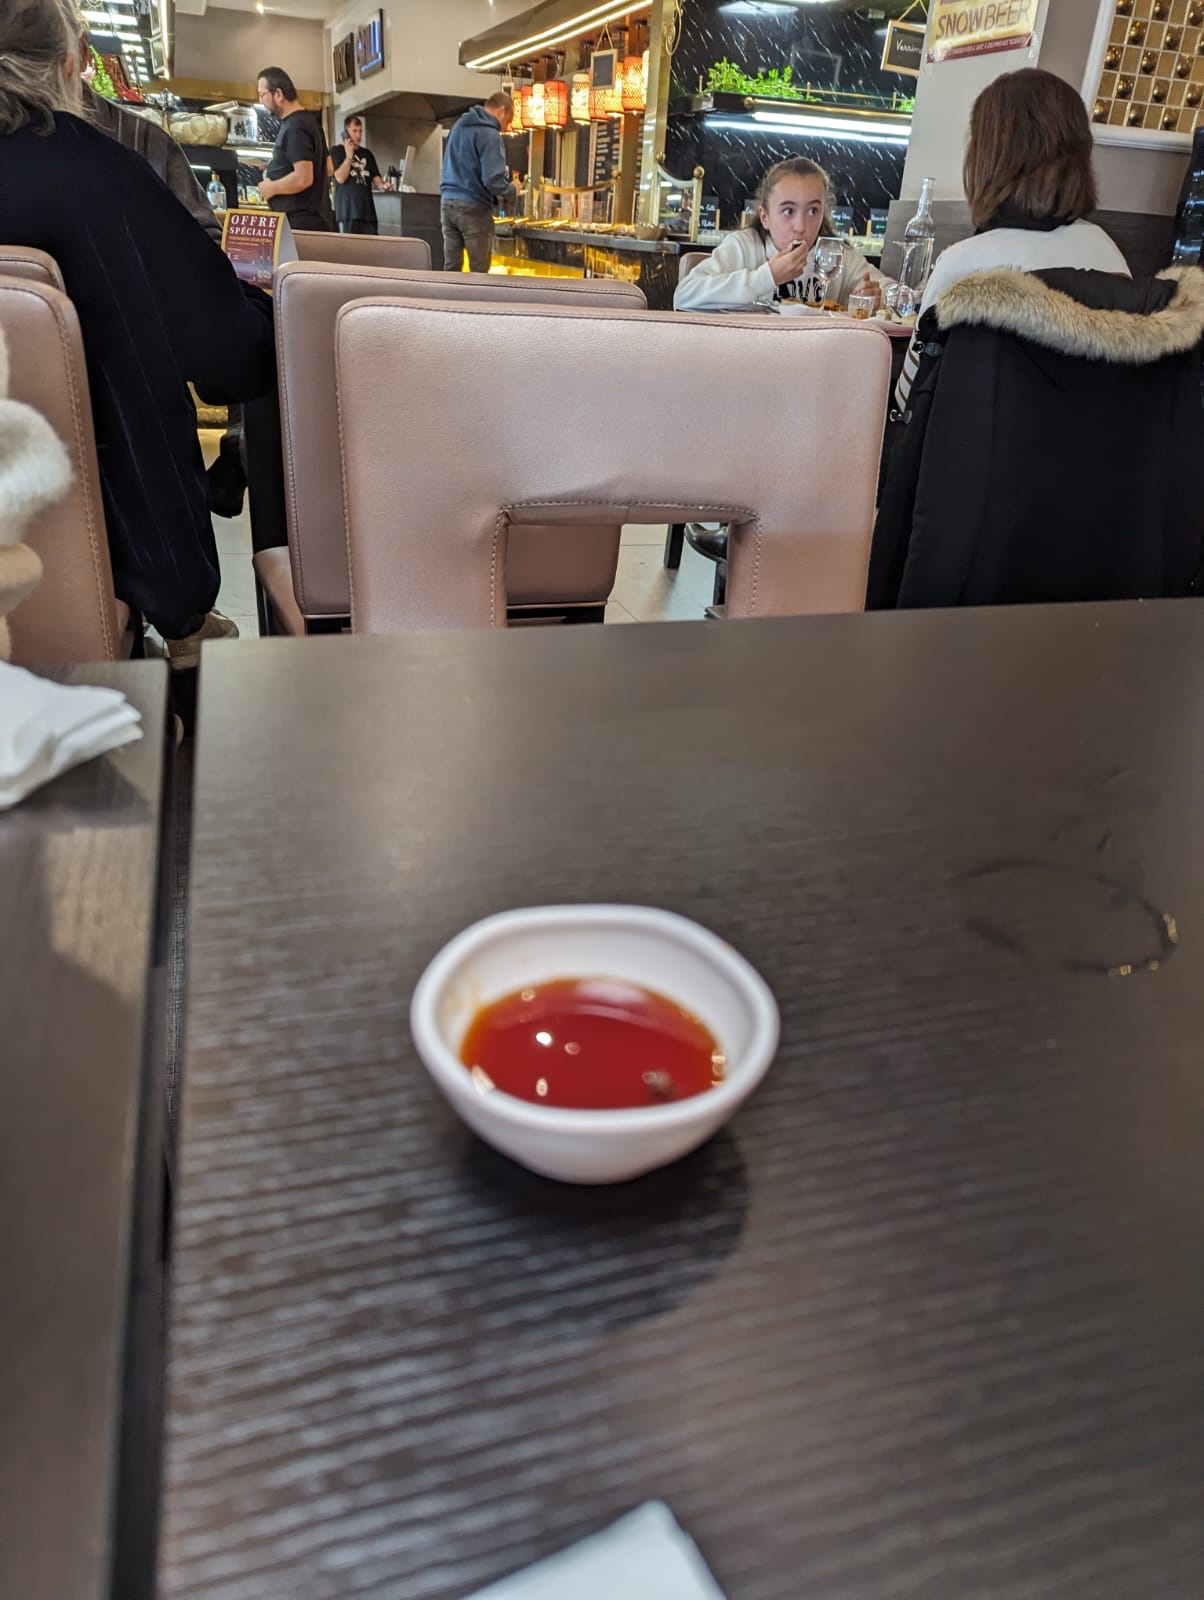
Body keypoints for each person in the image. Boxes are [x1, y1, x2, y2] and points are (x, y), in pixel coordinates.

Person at [0, 0, 276, 663]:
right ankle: (183, 635)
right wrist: (261, 307)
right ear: (70, 64)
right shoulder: (101, 173)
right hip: (106, 560)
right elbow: (230, 358)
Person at [894, 68, 1129, 409]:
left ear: (986, 159)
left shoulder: (965, 265)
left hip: (973, 444)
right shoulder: (1108, 254)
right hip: (1094, 443)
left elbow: (908, 397)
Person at [674, 157, 887, 313]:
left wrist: (875, 297)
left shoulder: (837, 256)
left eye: (813, 211)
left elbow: (894, 292)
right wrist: (768, 276)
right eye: (788, 211)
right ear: (765, 217)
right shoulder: (744, 246)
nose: (800, 226)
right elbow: (684, 296)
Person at [440, 91, 516, 273]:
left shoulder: (459, 125)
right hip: (473, 207)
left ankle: (447, 293)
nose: (505, 128)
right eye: (507, 122)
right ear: (502, 111)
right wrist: (512, 189)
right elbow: (493, 180)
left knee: (451, 268)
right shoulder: (490, 134)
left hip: (447, 204)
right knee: (478, 272)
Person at [256, 66, 332, 233]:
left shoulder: (295, 126)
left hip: (301, 223)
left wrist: (271, 188)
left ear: (278, 94)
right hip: (314, 220)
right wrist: (281, 167)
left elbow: (303, 178)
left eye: (262, 95)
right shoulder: (309, 121)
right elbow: (328, 167)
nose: (260, 101)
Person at [331, 114, 384, 235]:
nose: (358, 135)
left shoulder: (367, 154)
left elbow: (377, 181)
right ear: (346, 132)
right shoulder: (337, 151)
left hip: (368, 215)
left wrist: (384, 186)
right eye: (354, 131)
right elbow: (340, 178)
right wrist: (349, 156)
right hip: (347, 213)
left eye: (360, 131)